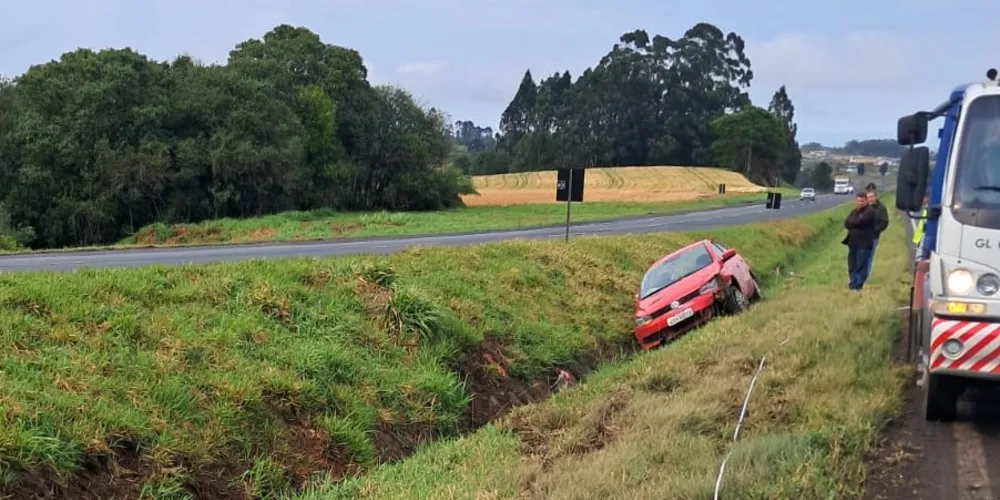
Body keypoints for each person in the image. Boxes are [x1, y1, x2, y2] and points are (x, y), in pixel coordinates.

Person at [843, 192, 877, 291]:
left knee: (861, 265)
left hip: (864, 243)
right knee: (852, 264)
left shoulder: (870, 211)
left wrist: (854, 223)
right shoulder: (854, 211)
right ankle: (852, 283)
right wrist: (855, 222)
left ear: (866, 201)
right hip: (853, 243)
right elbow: (847, 223)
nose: (860, 203)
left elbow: (862, 221)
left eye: (862, 201)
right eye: (858, 201)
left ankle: (858, 285)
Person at [862, 183, 889, 281]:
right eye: (868, 197)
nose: (870, 199)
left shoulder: (881, 208)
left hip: (872, 237)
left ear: (876, 197)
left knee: (868, 257)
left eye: (872, 197)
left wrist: (875, 230)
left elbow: (884, 222)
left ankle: (864, 278)